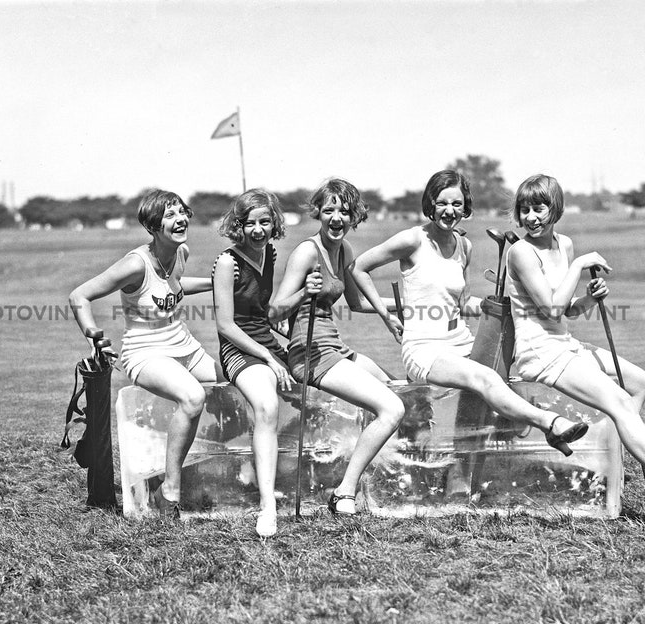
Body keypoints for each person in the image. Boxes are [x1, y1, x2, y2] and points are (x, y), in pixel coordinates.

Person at [504, 173, 645, 526]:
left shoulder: (565, 244)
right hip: (538, 353)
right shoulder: (520, 252)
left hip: (564, 344)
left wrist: (590, 298)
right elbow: (551, 309)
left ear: (554, 208)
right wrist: (578, 267)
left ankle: (609, 462)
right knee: (619, 403)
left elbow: (567, 309)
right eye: (524, 210)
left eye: (539, 208)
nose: (531, 217)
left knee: (639, 382)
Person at [351, 170, 587, 465]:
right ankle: (551, 424)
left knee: (502, 379)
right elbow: (358, 268)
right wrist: (387, 315)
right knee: (484, 377)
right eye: (442, 203)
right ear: (430, 203)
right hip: (424, 348)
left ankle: (472, 472)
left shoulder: (465, 246)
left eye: (457, 204)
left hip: (460, 340)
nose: (449, 211)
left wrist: (506, 305)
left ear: (465, 207)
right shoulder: (412, 239)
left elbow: (462, 303)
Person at [69, 189, 218, 520]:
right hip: (145, 353)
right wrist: (95, 338)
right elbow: (80, 296)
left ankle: (227, 471)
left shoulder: (181, 252)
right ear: (152, 226)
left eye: (182, 212)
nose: (179, 219)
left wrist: (216, 281)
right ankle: (170, 490)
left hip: (186, 347)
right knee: (193, 398)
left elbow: (176, 286)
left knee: (238, 379)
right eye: (169, 215)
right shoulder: (136, 264)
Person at [268, 178, 405, 516]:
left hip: (334, 347)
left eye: (344, 211)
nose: (336, 218)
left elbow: (357, 303)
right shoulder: (306, 252)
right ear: (318, 213)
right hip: (309, 353)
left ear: (353, 216)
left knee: (396, 386)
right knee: (392, 409)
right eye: (328, 210)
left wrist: (397, 310)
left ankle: (380, 474)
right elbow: (274, 310)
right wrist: (303, 293)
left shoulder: (344, 250)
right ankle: (344, 491)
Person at [211, 188, 293, 537]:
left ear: (274, 223)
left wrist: (287, 327)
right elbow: (225, 325)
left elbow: (262, 309)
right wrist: (268, 358)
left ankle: (266, 470)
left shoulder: (269, 254)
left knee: (317, 383)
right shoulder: (227, 261)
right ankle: (267, 507)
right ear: (238, 226)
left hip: (267, 343)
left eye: (265, 222)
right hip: (239, 350)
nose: (258, 230)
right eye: (250, 223)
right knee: (266, 405)